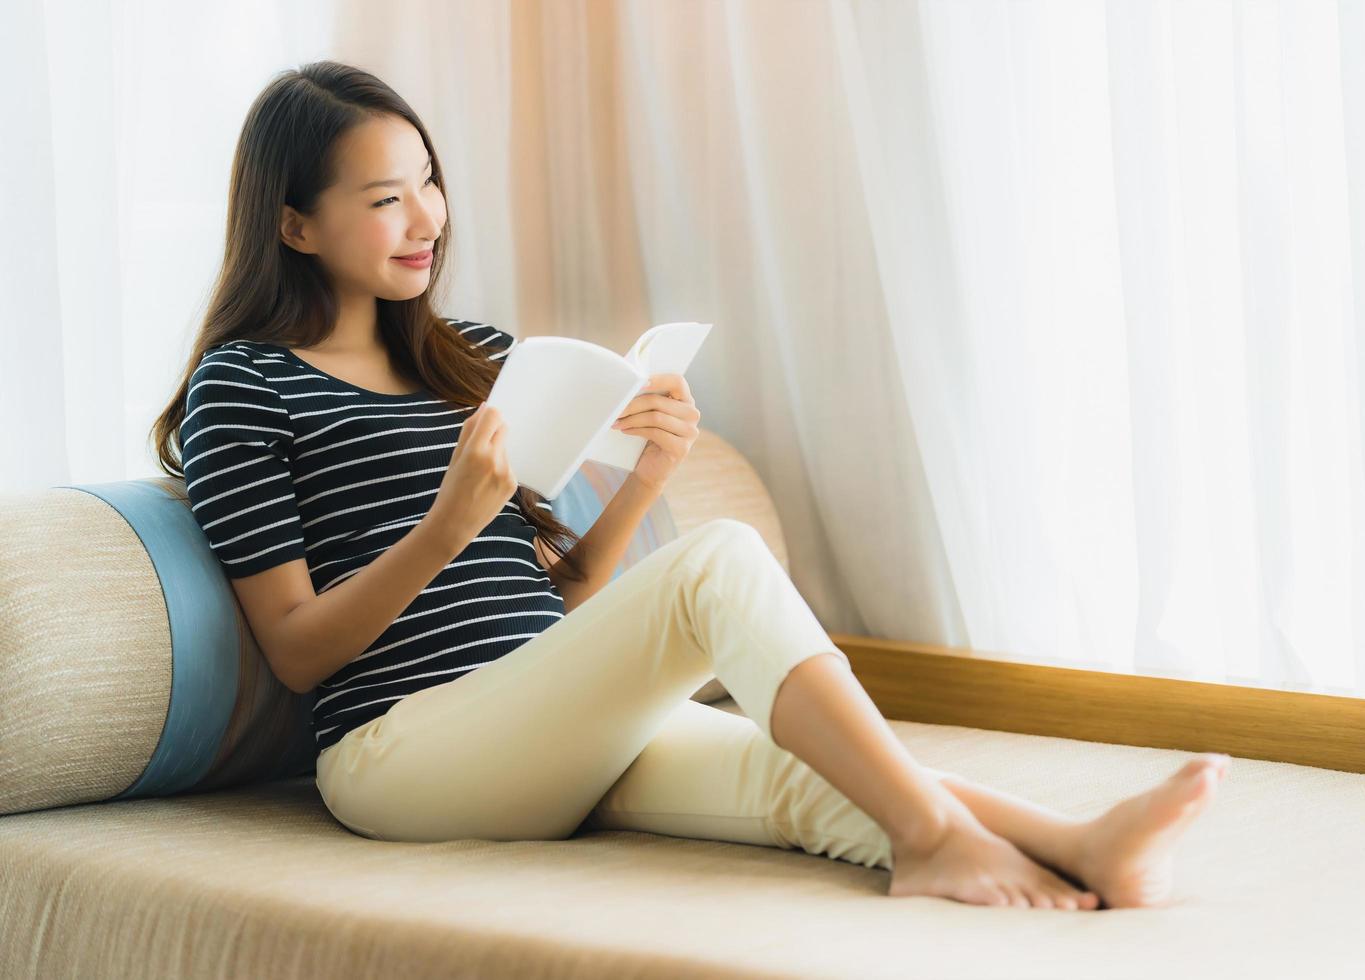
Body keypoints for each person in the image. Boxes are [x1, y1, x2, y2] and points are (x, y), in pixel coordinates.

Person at [152, 60, 1230, 912]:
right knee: (714, 560)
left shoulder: (470, 354)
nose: (428, 216)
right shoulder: (243, 387)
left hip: (537, 716)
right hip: (402, 753)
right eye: (387, 197)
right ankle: (934, 838)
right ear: (295, 224)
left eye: (431, 181)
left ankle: (1079, 844)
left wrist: (645, 477)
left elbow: (560, 604)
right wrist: (445, 525)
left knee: (794, 768)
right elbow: (294, 648)